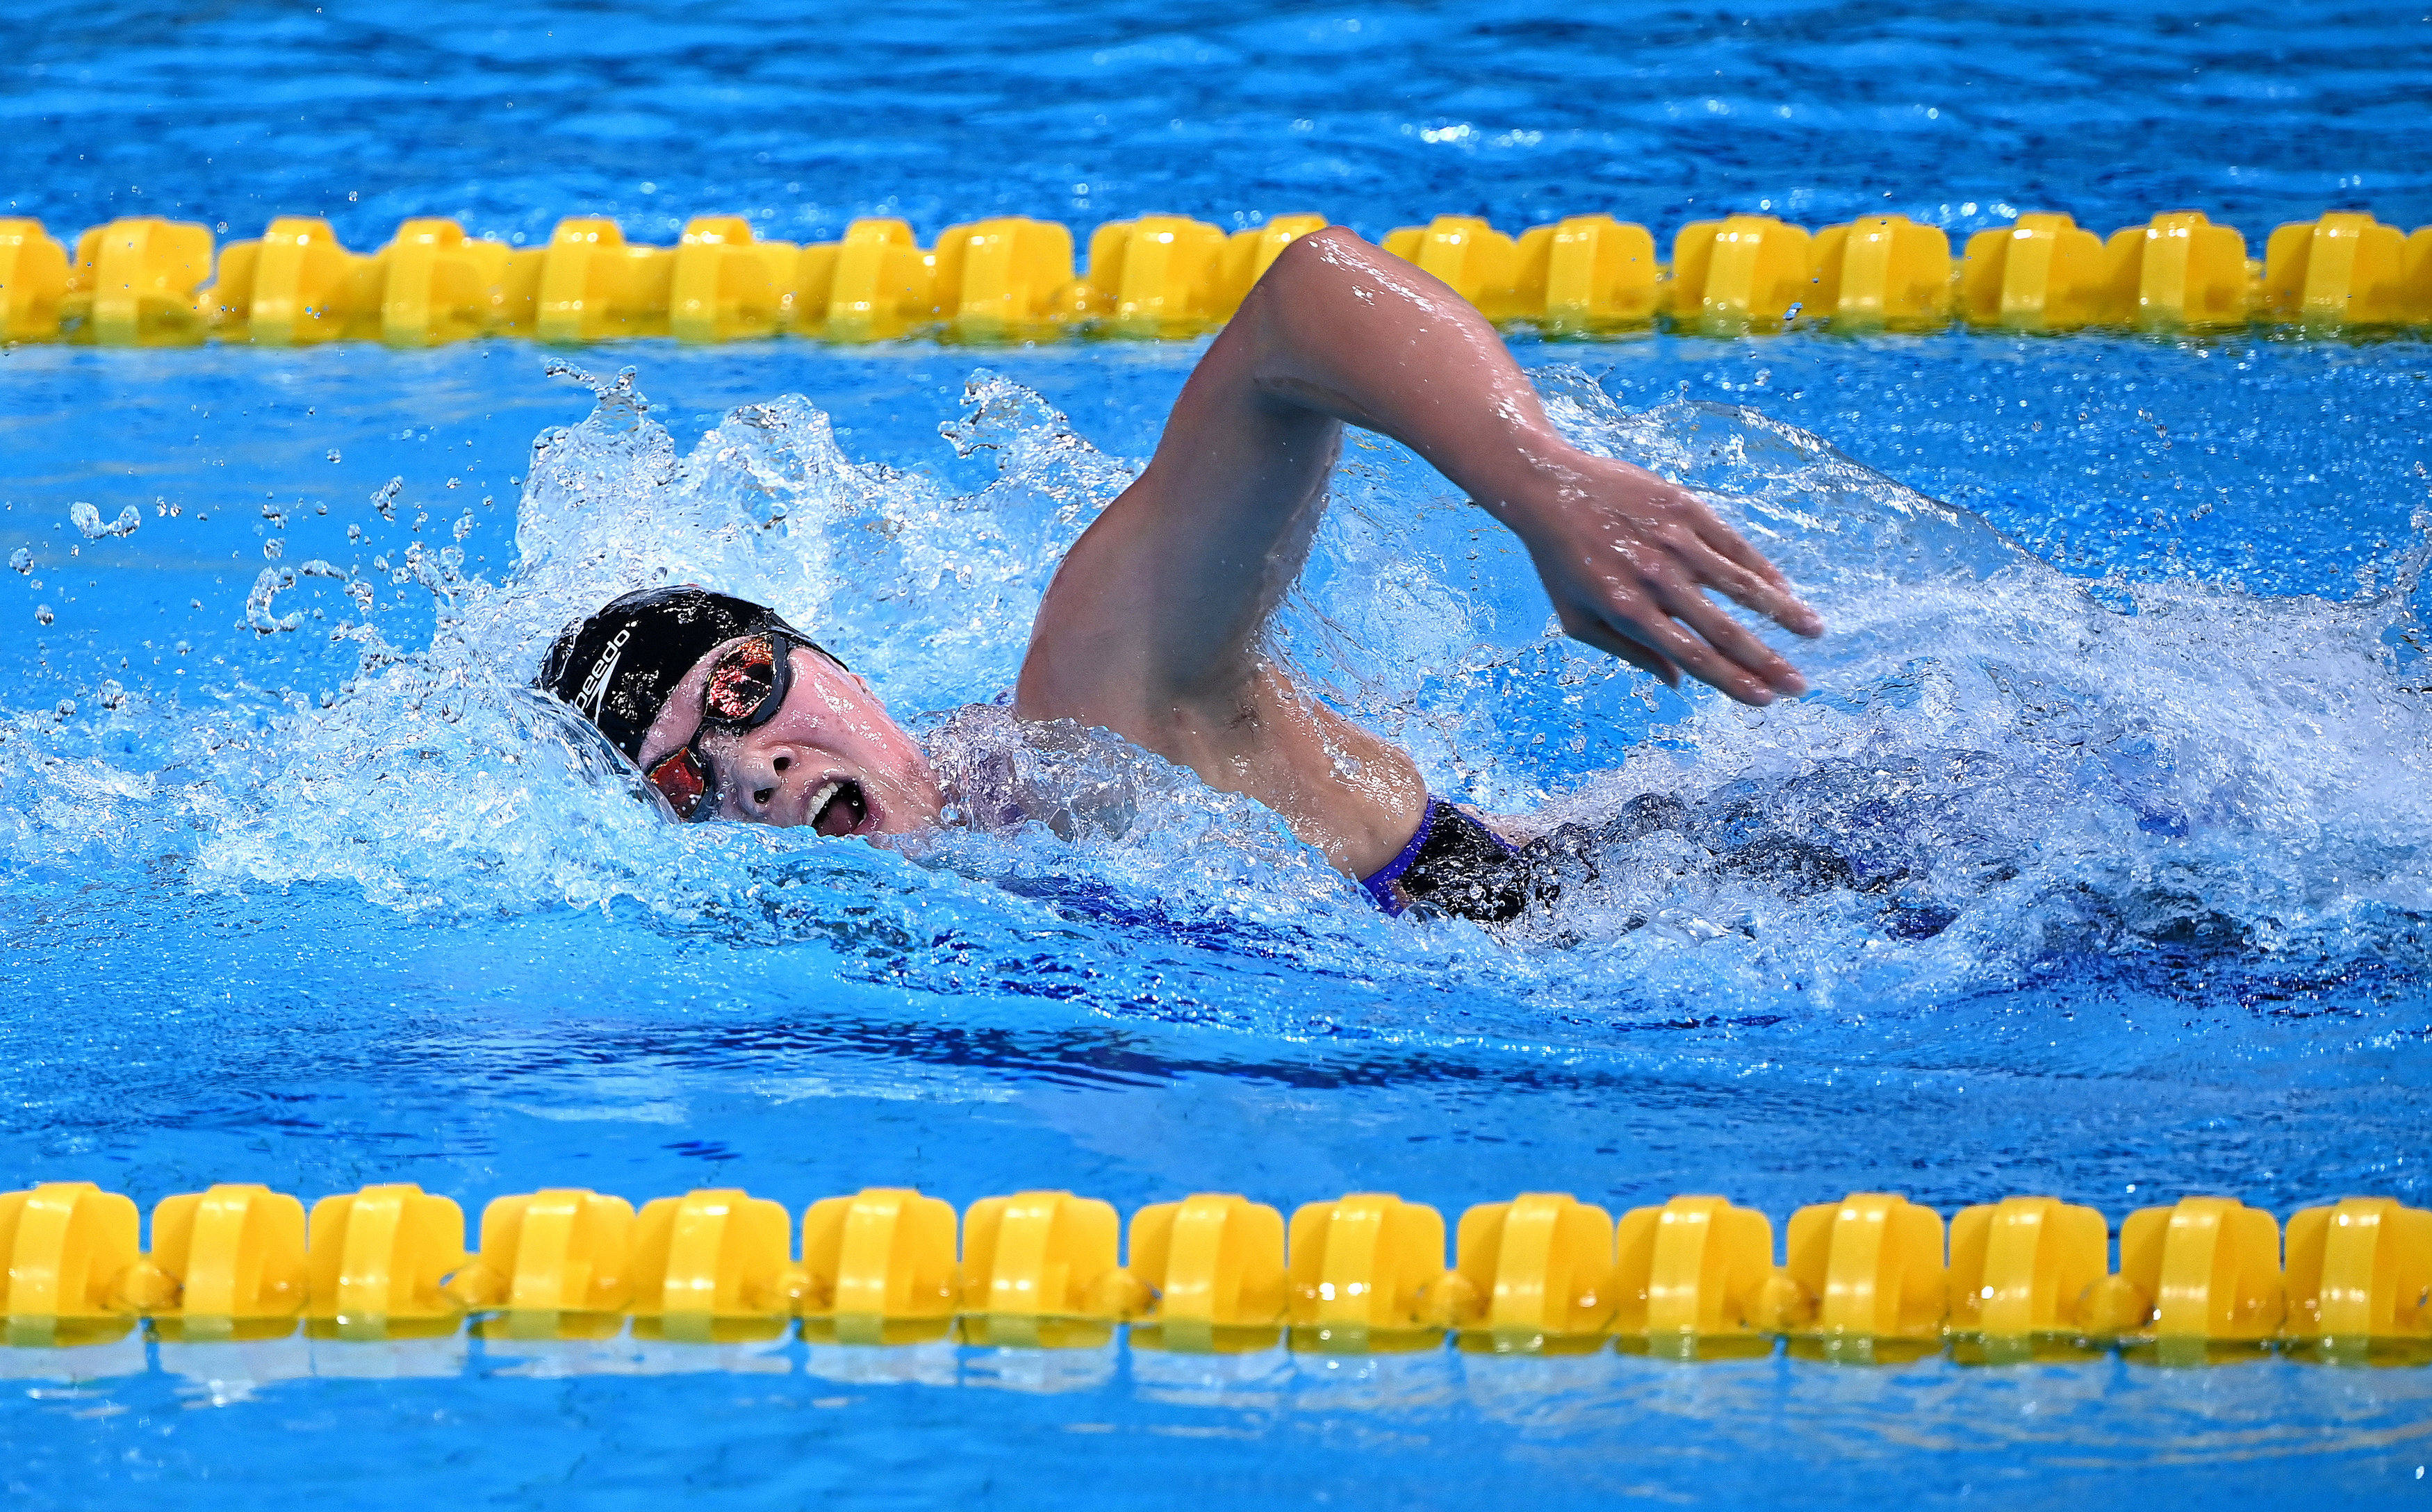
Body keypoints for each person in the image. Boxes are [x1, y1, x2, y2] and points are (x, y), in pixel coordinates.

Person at [538, 227, 1823, 923]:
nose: (749, 764)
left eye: (744, 690)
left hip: (1736, 899)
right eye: (682, 779)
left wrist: (1541, 483)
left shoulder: (1091, 719)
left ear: (830, 660)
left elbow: (1304, 304)